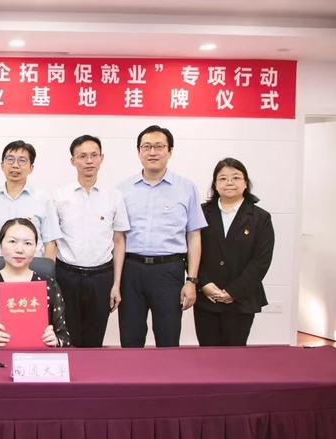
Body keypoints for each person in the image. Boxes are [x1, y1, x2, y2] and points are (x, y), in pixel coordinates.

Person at [117, 125, 207, 348]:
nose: (152, 152)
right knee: (130, 338)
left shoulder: (186, 188)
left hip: (169, 271)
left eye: (159, 146)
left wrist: (192, 281)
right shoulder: (122, 189)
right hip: (131, 270)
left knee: (168, 338)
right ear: (138, 151)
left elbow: (194, 236)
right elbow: (117, 238)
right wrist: (116, 281)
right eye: (146, 147)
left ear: (170, 151)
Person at [53, 135, 129, 347]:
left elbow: (119, 241)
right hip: (67, 276)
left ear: (101, 158)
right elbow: (52, 241)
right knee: (68, 339)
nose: (89, 161)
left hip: (101, 277)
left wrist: (116, 284)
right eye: (82, 156)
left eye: (94, 155)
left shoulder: (114, 196)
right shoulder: (59, 196)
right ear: (73, 161)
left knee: (95, 341)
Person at [194, 158, 274, 346]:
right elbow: (190, 252)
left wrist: (233, 291)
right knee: (207, 353)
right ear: (215, 184)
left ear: (245, 183)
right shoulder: (201, 213)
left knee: (235, 355)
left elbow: (261, 261)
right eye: (223, 178)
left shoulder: (260, 217)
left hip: (241, 300)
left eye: (236, 177)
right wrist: (204, 283)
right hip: (207, 298)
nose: (229, 182)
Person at [0, 218, 70, 347]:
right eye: (12, 241)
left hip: (37, 355)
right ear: (0, 245)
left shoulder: (49, 286)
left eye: (27, 243)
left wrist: (55, 340)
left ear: (35, 248)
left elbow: (64, 336)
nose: (19, 250)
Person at [0, 140, 60, 259]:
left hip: (33, 267)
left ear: (31, 168)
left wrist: (47, 270)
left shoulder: (43, 199)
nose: (15, 165)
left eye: (22, 161)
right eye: (10, 159)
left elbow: (50, 243)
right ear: (2, 165)